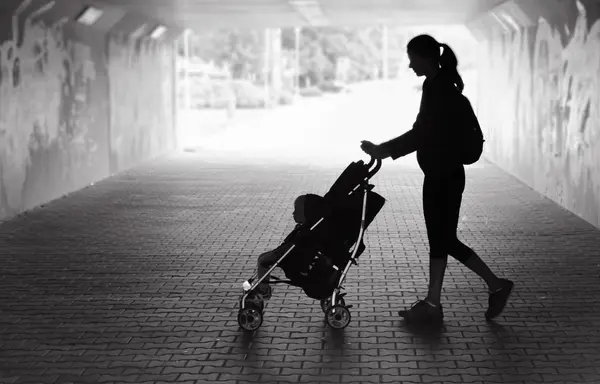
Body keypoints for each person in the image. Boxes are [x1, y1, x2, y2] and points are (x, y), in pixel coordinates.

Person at [360, 34, 514, 323]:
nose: (409, 65)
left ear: (425, 57)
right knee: (442, 240)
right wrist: (387, 149)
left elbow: (422, 132)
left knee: (442, 239)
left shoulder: (438, 87)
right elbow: (426, 130)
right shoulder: (439, 84)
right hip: (445, 174)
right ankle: (440, 300)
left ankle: (487, 287)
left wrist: (385, 150)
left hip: (443, 176)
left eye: (412, 58)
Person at [255, 193, 324, 300]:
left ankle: (263, 292)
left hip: (292, 259)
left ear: (307, 213)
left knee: (263, 261)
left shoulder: (305, 233)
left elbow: (289, 248)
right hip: (296, 257)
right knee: (263, 258)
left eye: (297, 210)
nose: (293, 213)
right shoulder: (309, 229)